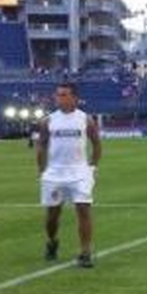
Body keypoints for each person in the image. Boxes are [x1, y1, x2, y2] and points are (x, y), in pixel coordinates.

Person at [36, 82, 102, 268]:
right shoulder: (48, 120)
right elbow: (41, 145)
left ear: (74, 98)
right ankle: (52, 241)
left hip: (79, 172)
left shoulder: (86, 119)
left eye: (64, 94)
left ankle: (85, 252)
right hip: (55, 173)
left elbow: (96, 143)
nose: (59, 98)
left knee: (83, 209)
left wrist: (92, 166)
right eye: (58, 95)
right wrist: (41, 170)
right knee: (52, 215)